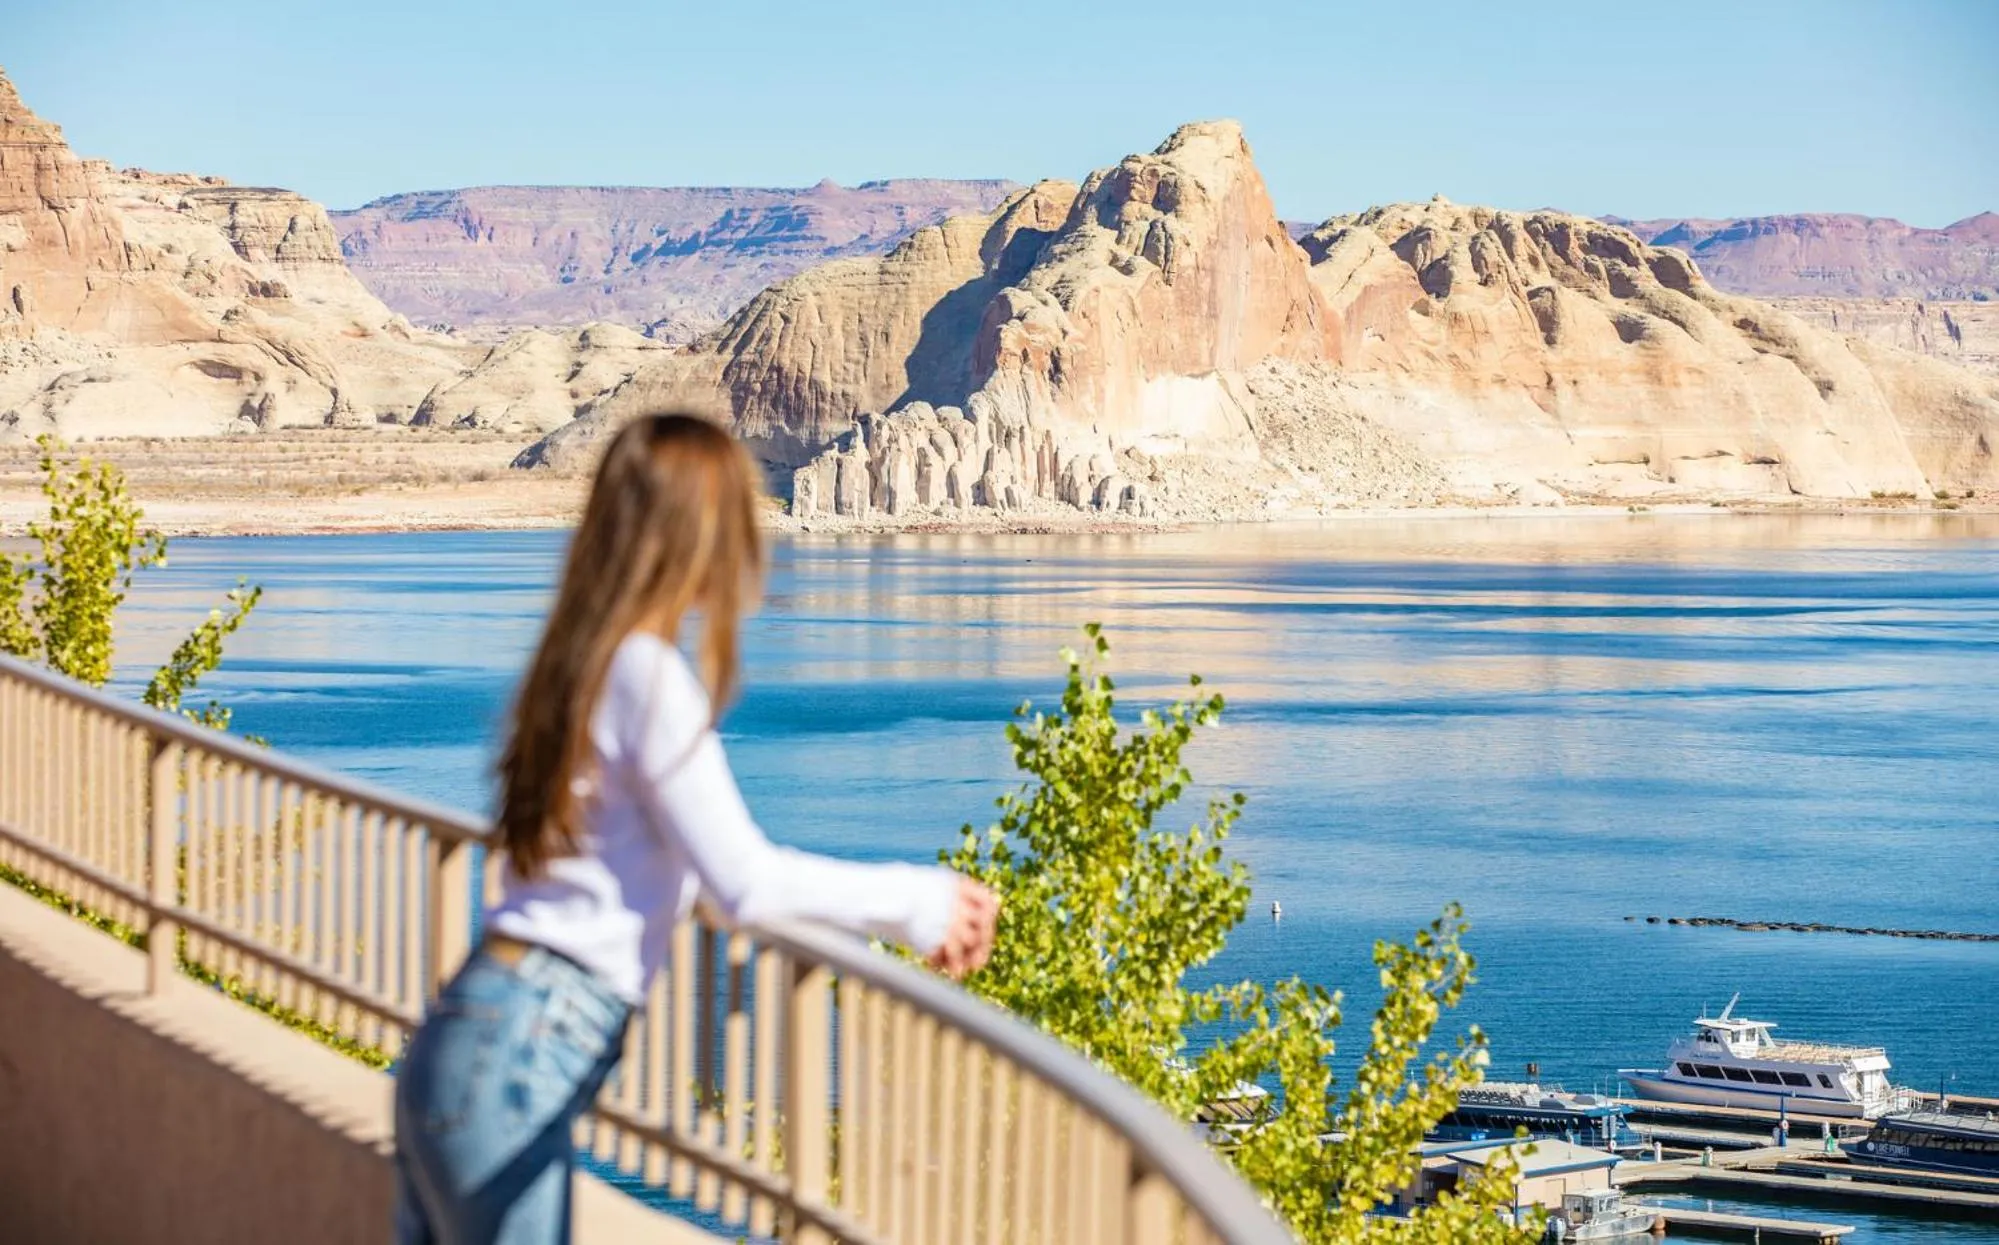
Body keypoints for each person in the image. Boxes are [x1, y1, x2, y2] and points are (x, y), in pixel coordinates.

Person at [392, 412, 999, 1244]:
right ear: (700, 536)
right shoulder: (647, 674)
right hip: (521, 1049)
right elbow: (742, 881)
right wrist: (915, 900)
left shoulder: (581, 659)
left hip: (471, 1030)